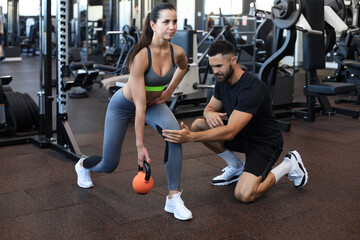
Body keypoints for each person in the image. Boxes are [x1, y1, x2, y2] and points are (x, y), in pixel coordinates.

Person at [75, 3, 193, 220]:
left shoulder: (177, 52)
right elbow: (139, 106)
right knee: (109, 165)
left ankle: (173, 198)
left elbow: (184, 67)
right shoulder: (141, 56)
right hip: (123, 106)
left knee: (174, 135)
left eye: (174, 21)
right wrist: (140, 146)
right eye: (166, 22)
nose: (172, 27)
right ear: (153, 25)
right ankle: (83, 165)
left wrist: (168, 92)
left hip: (154, 104)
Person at [162, 39, 308, 203]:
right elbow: (209, 108)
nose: (215, 71)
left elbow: (230, 131)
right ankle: (237, 167)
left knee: (244, 194)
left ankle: (289, 164)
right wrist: (210, 114)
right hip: (242, 136)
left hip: (264, 143)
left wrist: (190, 138)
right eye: (212, 67)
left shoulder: (252, 88)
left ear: (233, 60)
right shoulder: (222, 81)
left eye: (219, 66)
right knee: (198, 125)